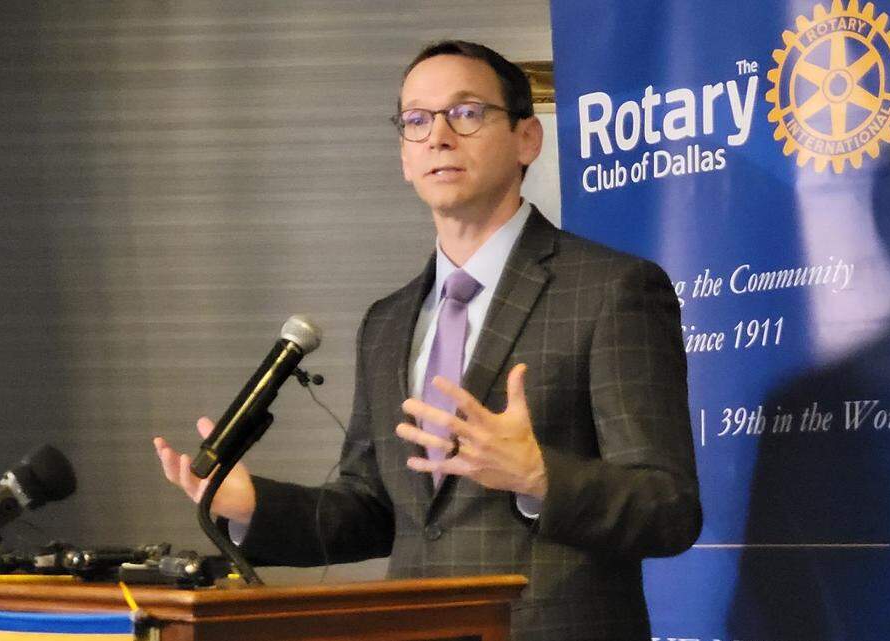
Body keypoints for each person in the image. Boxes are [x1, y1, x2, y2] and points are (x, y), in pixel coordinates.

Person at [154, 40, 701, 641]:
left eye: (466, 113)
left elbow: (668, 508)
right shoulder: (388, 323)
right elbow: (372, 511)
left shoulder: (612, 289)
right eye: (416, 121)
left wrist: (540, 477)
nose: (438, 136)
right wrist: (251, 504)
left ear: (527, 139)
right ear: (404, 157)